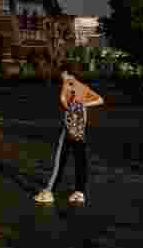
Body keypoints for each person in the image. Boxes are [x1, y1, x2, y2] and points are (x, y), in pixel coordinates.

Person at [34, 63, 104, 206]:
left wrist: (72, 105)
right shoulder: (82, 86)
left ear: (66, 72)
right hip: (81, 128)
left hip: (69, 127)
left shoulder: (67, 84)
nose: (61, 76)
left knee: (60, 160)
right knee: (80, 160)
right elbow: (100, 100)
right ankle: (79, 192)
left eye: (62, 73)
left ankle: (49, 192)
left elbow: (63, 102)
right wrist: (83, 104)